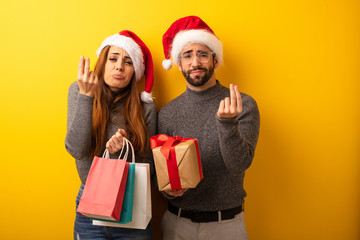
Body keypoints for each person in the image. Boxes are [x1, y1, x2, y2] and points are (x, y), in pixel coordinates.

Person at [157, 16, 260, 240]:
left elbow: (239, 164)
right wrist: (167, 190)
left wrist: (226, 123)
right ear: (179, 63)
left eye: (203, 54)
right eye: (188, 55)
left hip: (226, 226)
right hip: (177, 224)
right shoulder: (166, 113)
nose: (195, 62)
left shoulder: (242, 104)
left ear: (215, 61)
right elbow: (160, 171)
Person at [65, 30, 156, 240]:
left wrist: (123, 151)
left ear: (135, 71)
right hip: (90, 205)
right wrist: (87, 96)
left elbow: (149, 165)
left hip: (132, 204)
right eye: (113, 58)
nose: (119, 66)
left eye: (128, 62)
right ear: (102, 62)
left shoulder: (146, 107)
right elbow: (77, 149)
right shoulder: (79, 90)